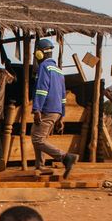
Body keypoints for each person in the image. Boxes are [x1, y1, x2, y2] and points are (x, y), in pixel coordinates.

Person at [30, 38, 77, 177]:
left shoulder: (44, 67)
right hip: (55, 111)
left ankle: (66, 157)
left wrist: (36, 109)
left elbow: (41, 90)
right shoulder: (58, 70)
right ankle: (40, 165)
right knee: (37, 134)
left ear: (39, 53)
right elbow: (63, 95)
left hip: (46, 109)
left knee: (38, 139)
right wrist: (61, 116)